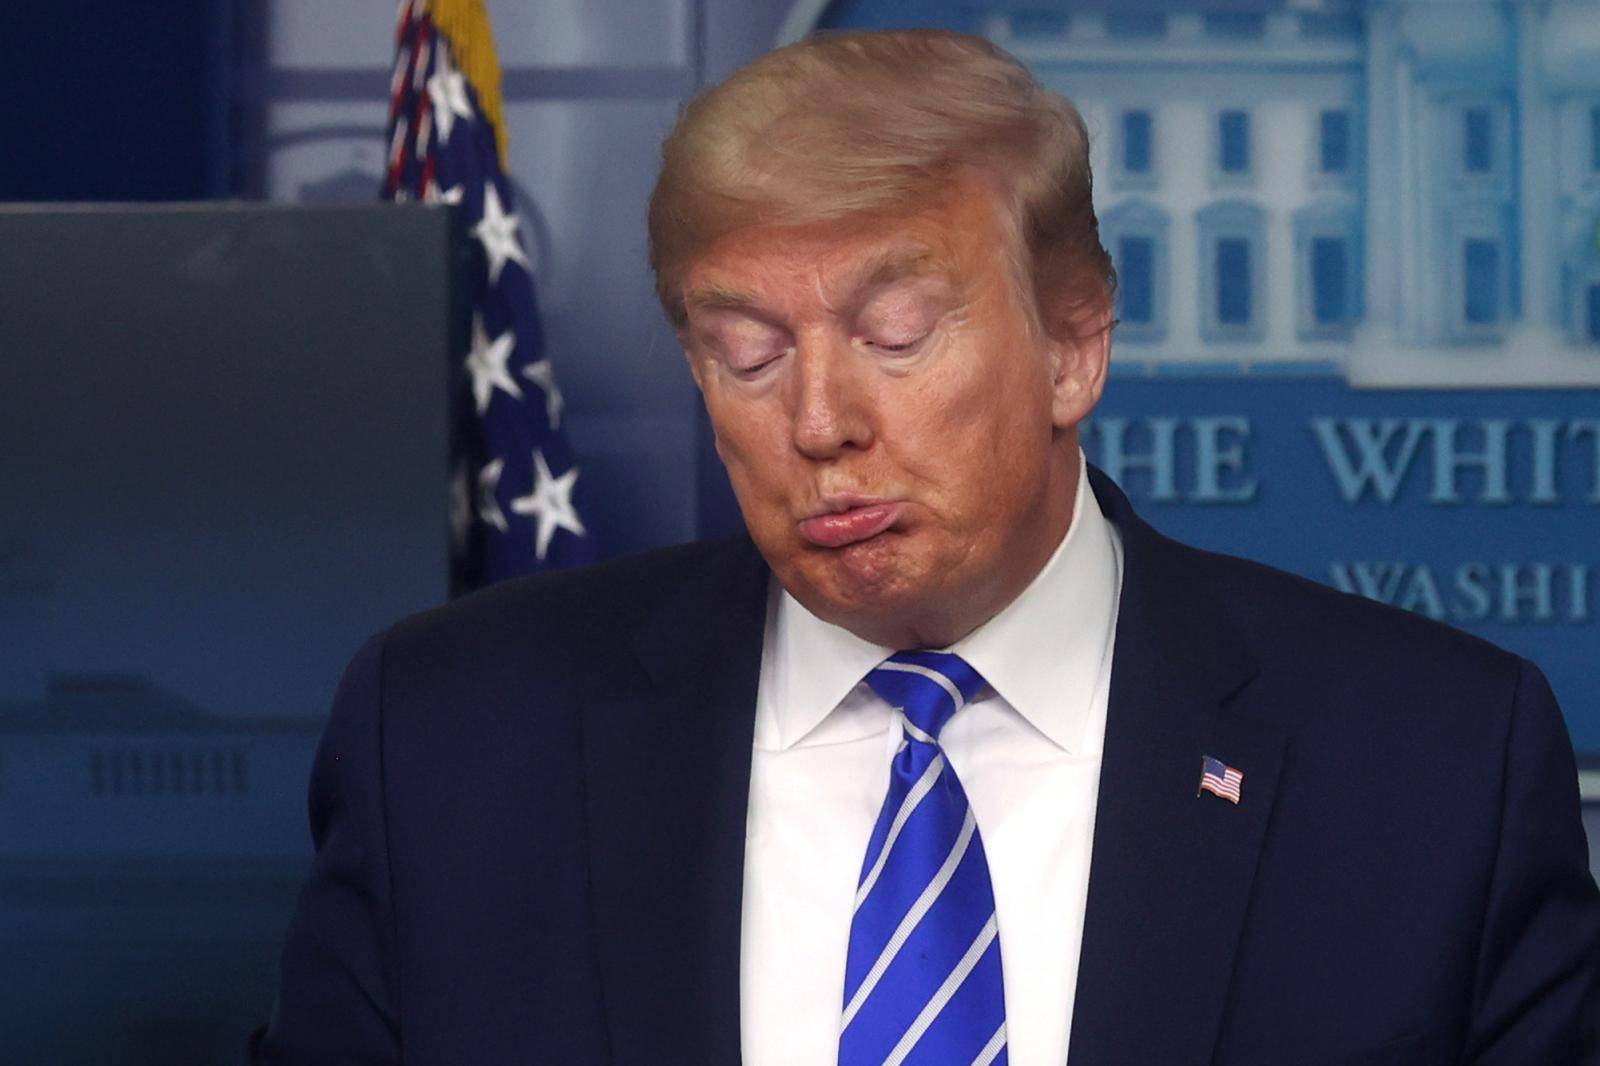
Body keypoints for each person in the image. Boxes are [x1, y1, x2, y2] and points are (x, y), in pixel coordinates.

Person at [254, 29, 1600, 1066]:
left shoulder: (1433, 771)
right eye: (747, 354)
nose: (821, 420)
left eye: (897, 336)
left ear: (1073, 343)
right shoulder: (451, 744)